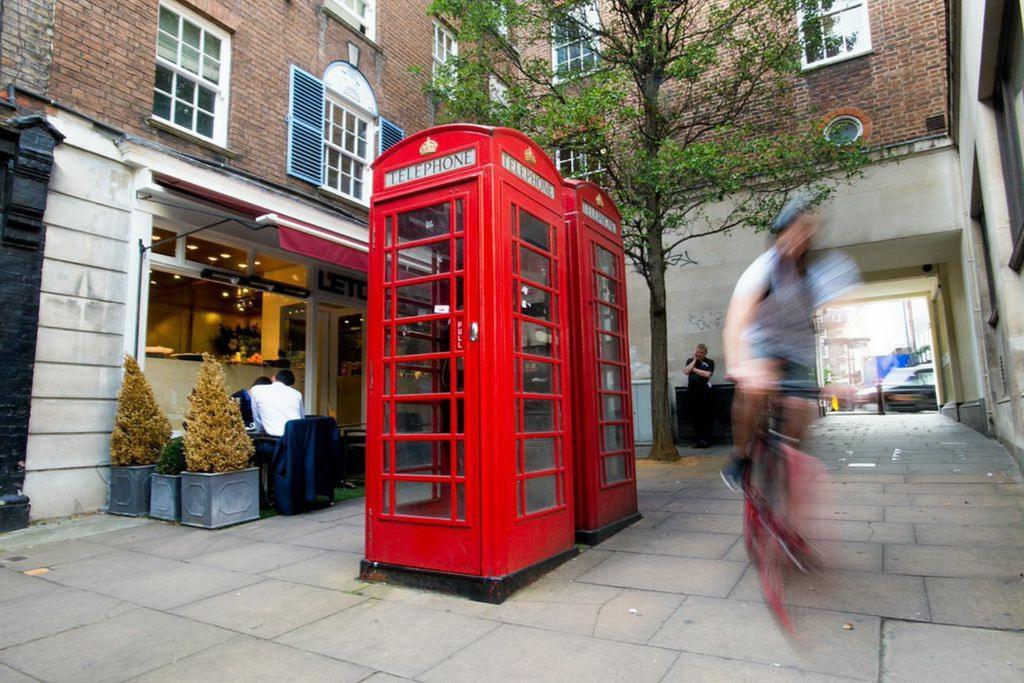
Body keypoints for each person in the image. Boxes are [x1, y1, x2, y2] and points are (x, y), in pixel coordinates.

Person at [720, 193, 861, 492]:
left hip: (798, 348)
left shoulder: (818, 274)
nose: (798, 239)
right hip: (761, 341)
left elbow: (835, 329)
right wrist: (738, 365)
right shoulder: (761, 270)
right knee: (755, 386)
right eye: (792, 231)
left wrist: (839, 378)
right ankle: (741, 455)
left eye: (805, 232)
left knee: (799, 410)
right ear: (779, 235)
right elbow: (735, 321)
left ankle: (787, 483)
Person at [250, 369, 305, 437]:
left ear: (274, 378)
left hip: (273, 441)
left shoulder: (256, 390)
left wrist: (261, 430)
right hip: (297, 439)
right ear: (291, 385)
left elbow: (257, 417)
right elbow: (302, 419)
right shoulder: (297, 394)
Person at [683, 344, 715, 448]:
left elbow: (707, 374)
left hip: (705, 393)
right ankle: (698, 440)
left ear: (705, 354)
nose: (699, 354)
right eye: (697, 352)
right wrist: (694, 361)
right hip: (691, 393)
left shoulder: (709, 362)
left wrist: (694, 370)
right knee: (694, 417)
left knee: (705, 417)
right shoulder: (690, 360)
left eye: (701, 353)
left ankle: (706, 440)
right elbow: (686, 371)